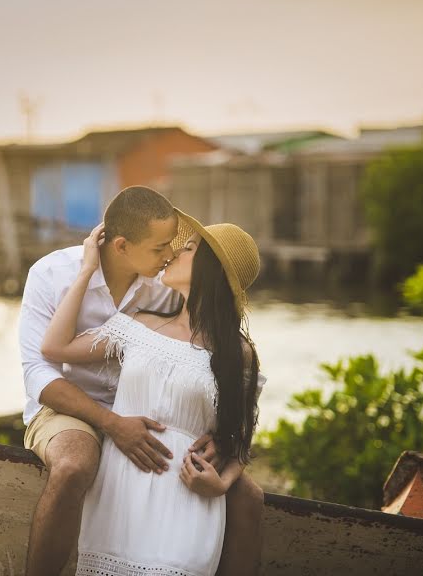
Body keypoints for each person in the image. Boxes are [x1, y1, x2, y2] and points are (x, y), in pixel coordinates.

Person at [19, 186, 264, 576]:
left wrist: (222, 443)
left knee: (249, 495)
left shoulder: (164, 288)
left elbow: (228, 405)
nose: (170, 254)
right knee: (74, 464)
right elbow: (41, 369)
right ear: (120, 246)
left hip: (154, 427)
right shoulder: (53, 274)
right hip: (72, 408)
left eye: (182, 247)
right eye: (163, 247)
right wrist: (112, 423)